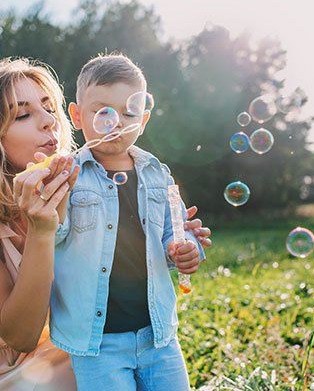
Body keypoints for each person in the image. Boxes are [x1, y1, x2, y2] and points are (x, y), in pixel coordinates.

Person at [50, 53, 207, 390]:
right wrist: (54, 195)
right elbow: (52, 235)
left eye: (129, 112)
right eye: (102, 111)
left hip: (158, 336)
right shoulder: (68, 175)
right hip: (98, 344)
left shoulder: (157, 173)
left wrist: (186, 249)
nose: (116, 122)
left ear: (144, 119)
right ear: (77, 116)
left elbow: (175, 230)